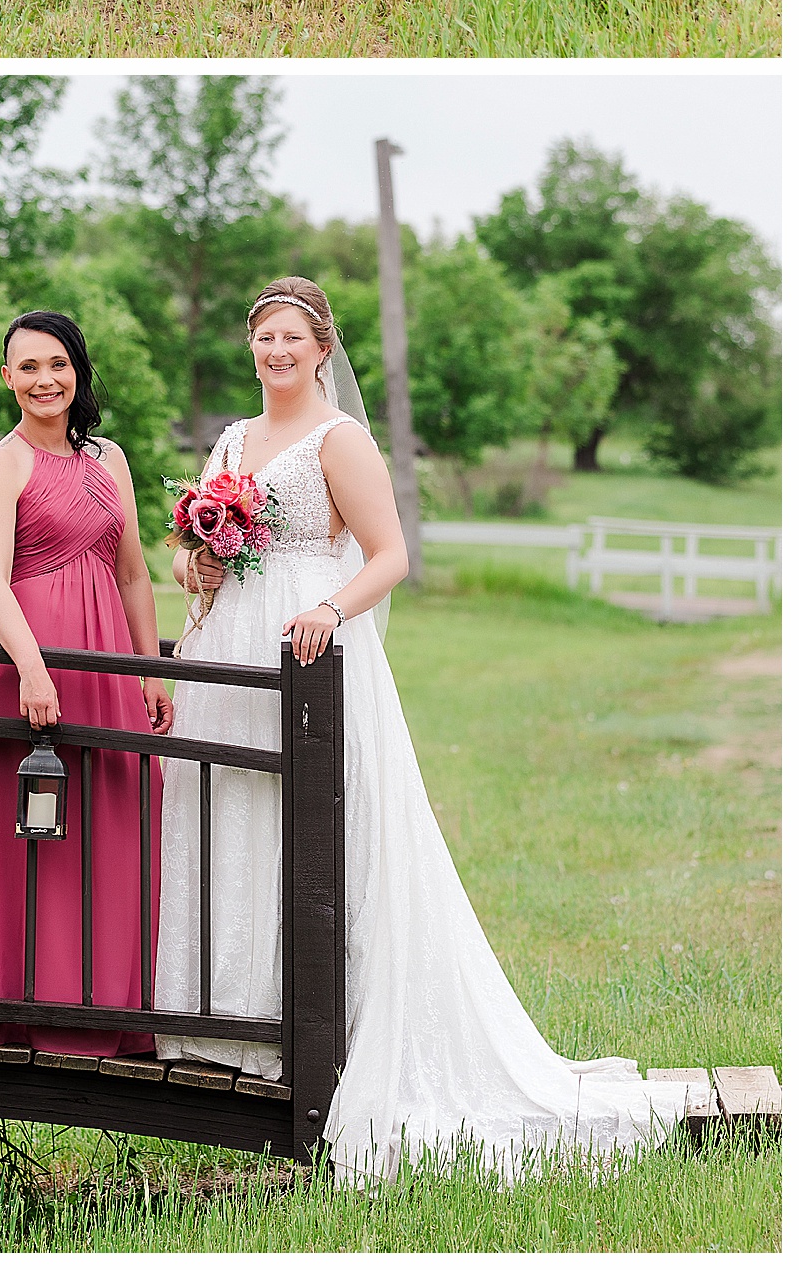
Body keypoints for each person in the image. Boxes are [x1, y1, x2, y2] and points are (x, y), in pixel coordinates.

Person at [154, 276, 682, 1179]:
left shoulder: (340, 439)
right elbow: (183, 551)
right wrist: (194, 560)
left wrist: (328, 606)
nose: (275, 353)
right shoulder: (233, 440)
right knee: (229, 804)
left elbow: (390, 554)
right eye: (263, 339)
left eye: (292, 339)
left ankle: (318, 1029)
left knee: (317, 826)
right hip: (232, 645)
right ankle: (228, 1023)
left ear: (323, 348)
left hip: (311, 643)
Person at [0, 312, 172, 1053]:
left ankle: (118, 997)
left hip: (106, 659)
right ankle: (27, 996)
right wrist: (30, 667)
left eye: (57, 365)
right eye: (27, 368)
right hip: (30, 656)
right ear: (8, 379)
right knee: (34, 830)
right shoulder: (2, 463)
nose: (44, 381)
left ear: (78, 370)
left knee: (115, 817)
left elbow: (132, 570)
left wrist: (149, 669)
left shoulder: (111, 460)